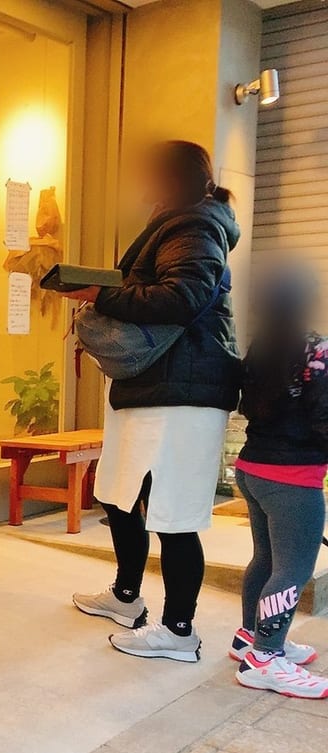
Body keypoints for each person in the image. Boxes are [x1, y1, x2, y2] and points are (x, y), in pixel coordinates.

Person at [69, 140, 242, 662]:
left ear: (171, 178)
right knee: (118, 492)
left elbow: (182, 297)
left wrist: (100, 294)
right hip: (153, 384)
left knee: (174, 511)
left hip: (183, 389)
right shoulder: (180, 220)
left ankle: (179, 631)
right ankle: (126, 597)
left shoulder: (195, 224)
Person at [230, 264, 328, 698]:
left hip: (253, 469)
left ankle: (251, 637)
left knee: (267, 561)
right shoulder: (315, 352)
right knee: (293, 569)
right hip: (294, 479)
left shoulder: (261, 347)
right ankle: (265, 657)